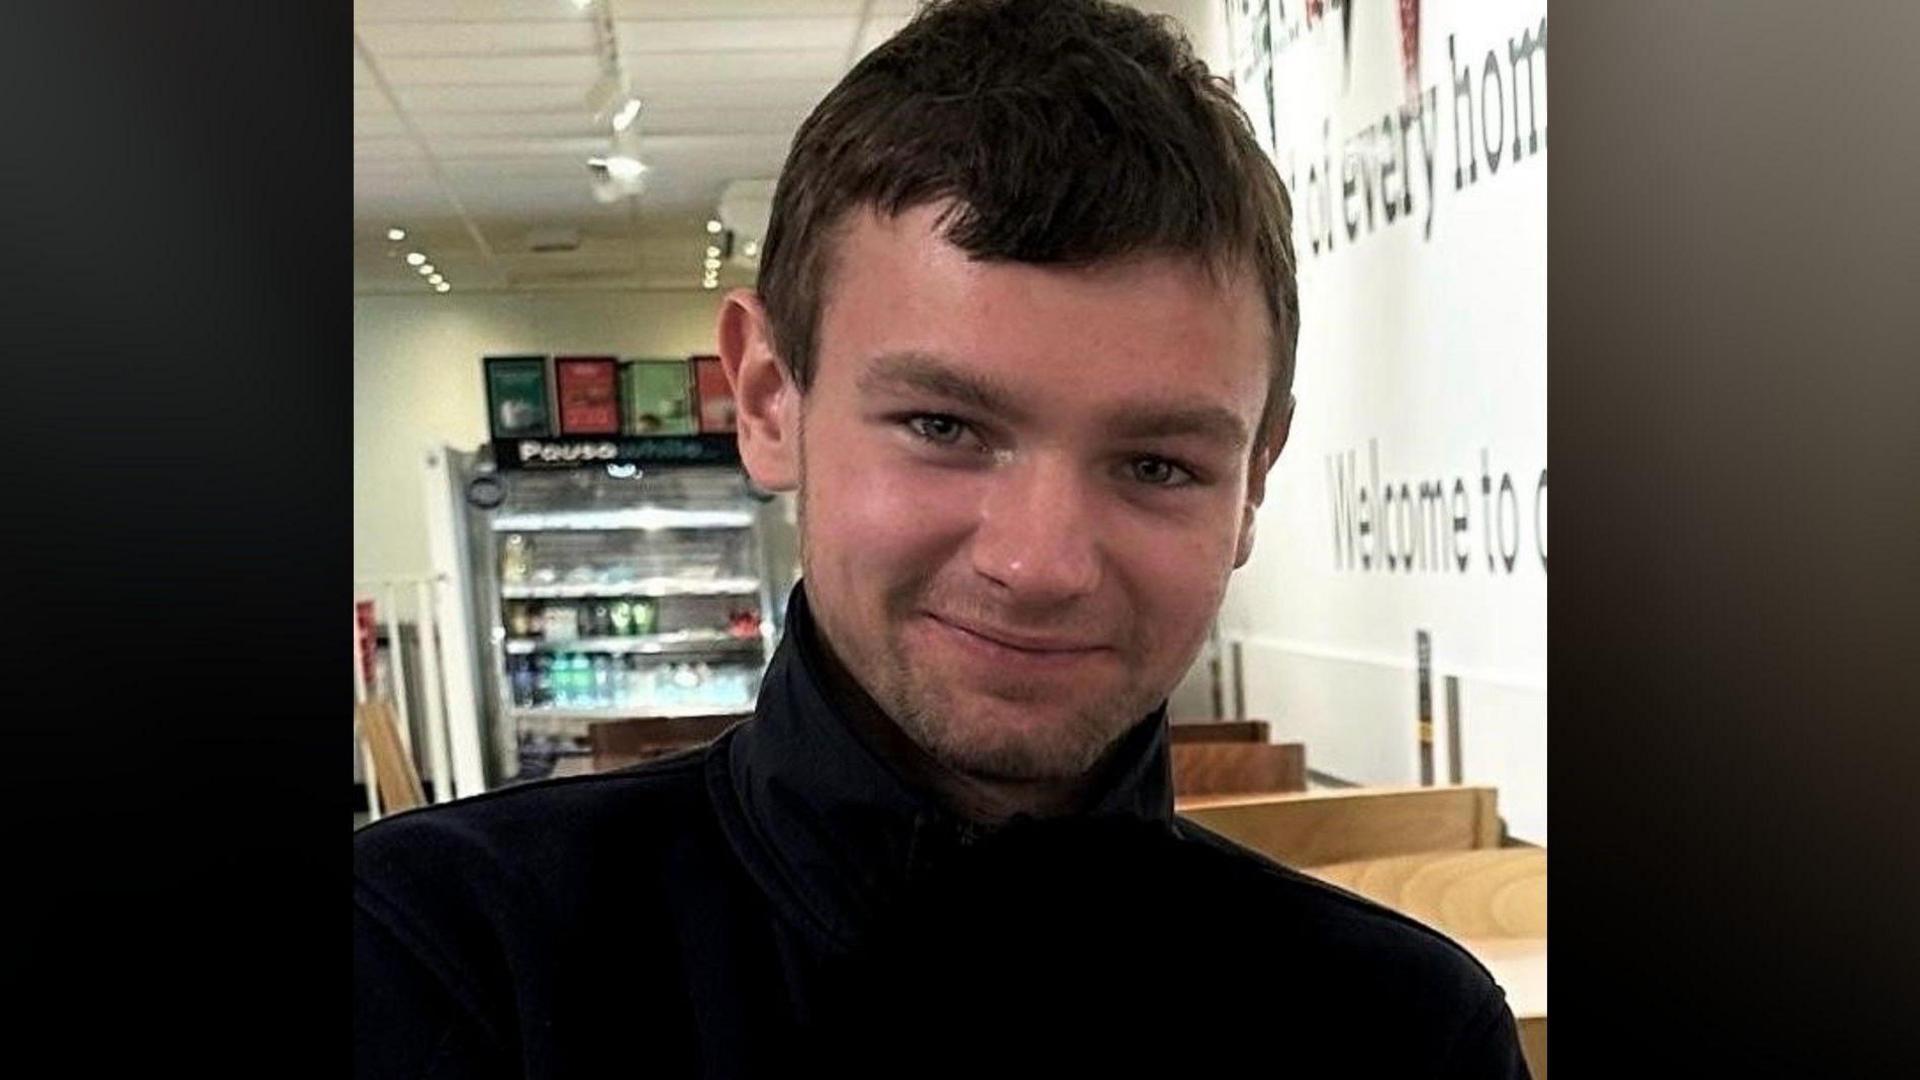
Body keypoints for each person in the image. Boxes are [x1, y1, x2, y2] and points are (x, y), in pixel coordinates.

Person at [354, 1, 1532, 1075]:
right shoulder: (436, 960)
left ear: (1254, 481)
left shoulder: (1405, 1037)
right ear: (769, 399)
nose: (1041, 563)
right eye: (944, 426)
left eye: (1159, 465)